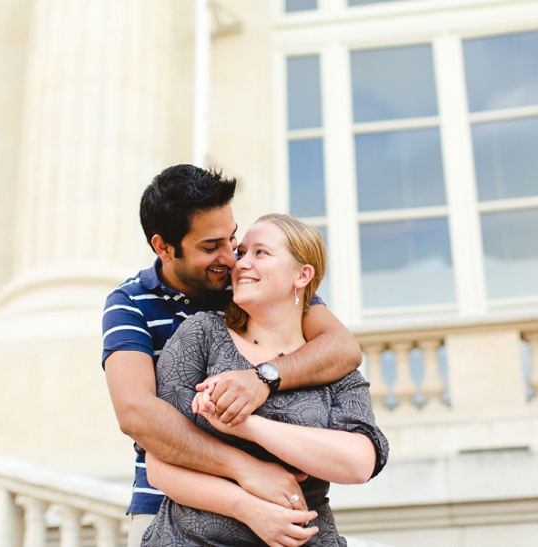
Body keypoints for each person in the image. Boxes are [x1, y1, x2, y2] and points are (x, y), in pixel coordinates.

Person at [102, 165, 363, 544]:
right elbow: (136, 413)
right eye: (211, 247)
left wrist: (265, 378)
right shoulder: (129, 304)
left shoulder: (250, 280)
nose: (230, 258)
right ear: (163, 247)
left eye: (232, 239)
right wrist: (244, 469)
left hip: (280, 505)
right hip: (169, 505)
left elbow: (341, 348)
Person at [142, 214, 389, 547]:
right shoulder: (201, 335)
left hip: (303, 538)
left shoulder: (328, 363)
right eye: (241, 252)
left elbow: (359, 463)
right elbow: (159, 464)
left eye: (261, 253)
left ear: (302, 275)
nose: (241, 263)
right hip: (194, 538)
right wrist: (247, 508)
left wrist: (246, 424)